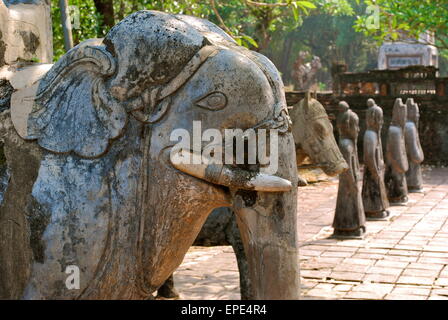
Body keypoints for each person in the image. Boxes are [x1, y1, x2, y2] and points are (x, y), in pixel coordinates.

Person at [333, 102, 366, 238]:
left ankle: (354, 224)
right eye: (355, 126)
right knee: (348, 201)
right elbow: (347, 171)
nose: (358, 130)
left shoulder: (349, 143)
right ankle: (348, 225)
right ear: (347, 126)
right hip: (349, 183)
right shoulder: (346, 145)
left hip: (352, 181)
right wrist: (353, 182)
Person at [362, 99, 390, 220]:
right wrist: (374, 170)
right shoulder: (370, 135)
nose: (381, 122)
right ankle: (373, 210)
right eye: (379, 119)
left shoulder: (374, 134)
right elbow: (369, 156)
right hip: (373, 171)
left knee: (378, 189)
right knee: (373, 190)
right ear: (372, 119)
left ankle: (380, 208)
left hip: (377, 170)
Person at [385, 98, 409, 205]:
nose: (404, 119)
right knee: (397, 182)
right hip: (396, 165)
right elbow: (397, 153)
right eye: (403, 116)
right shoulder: (395, 131)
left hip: (398, 165)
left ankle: (399, 196)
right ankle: (396, 197)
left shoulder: (399, 130)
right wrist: (403, 166)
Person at [405, 98, 424, 192]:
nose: (418, 115)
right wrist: (420, 157)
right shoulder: (410, 126)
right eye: (416, 113)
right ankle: (412, 185)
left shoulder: (410, 125)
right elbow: (413, 151)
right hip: (411, 159)